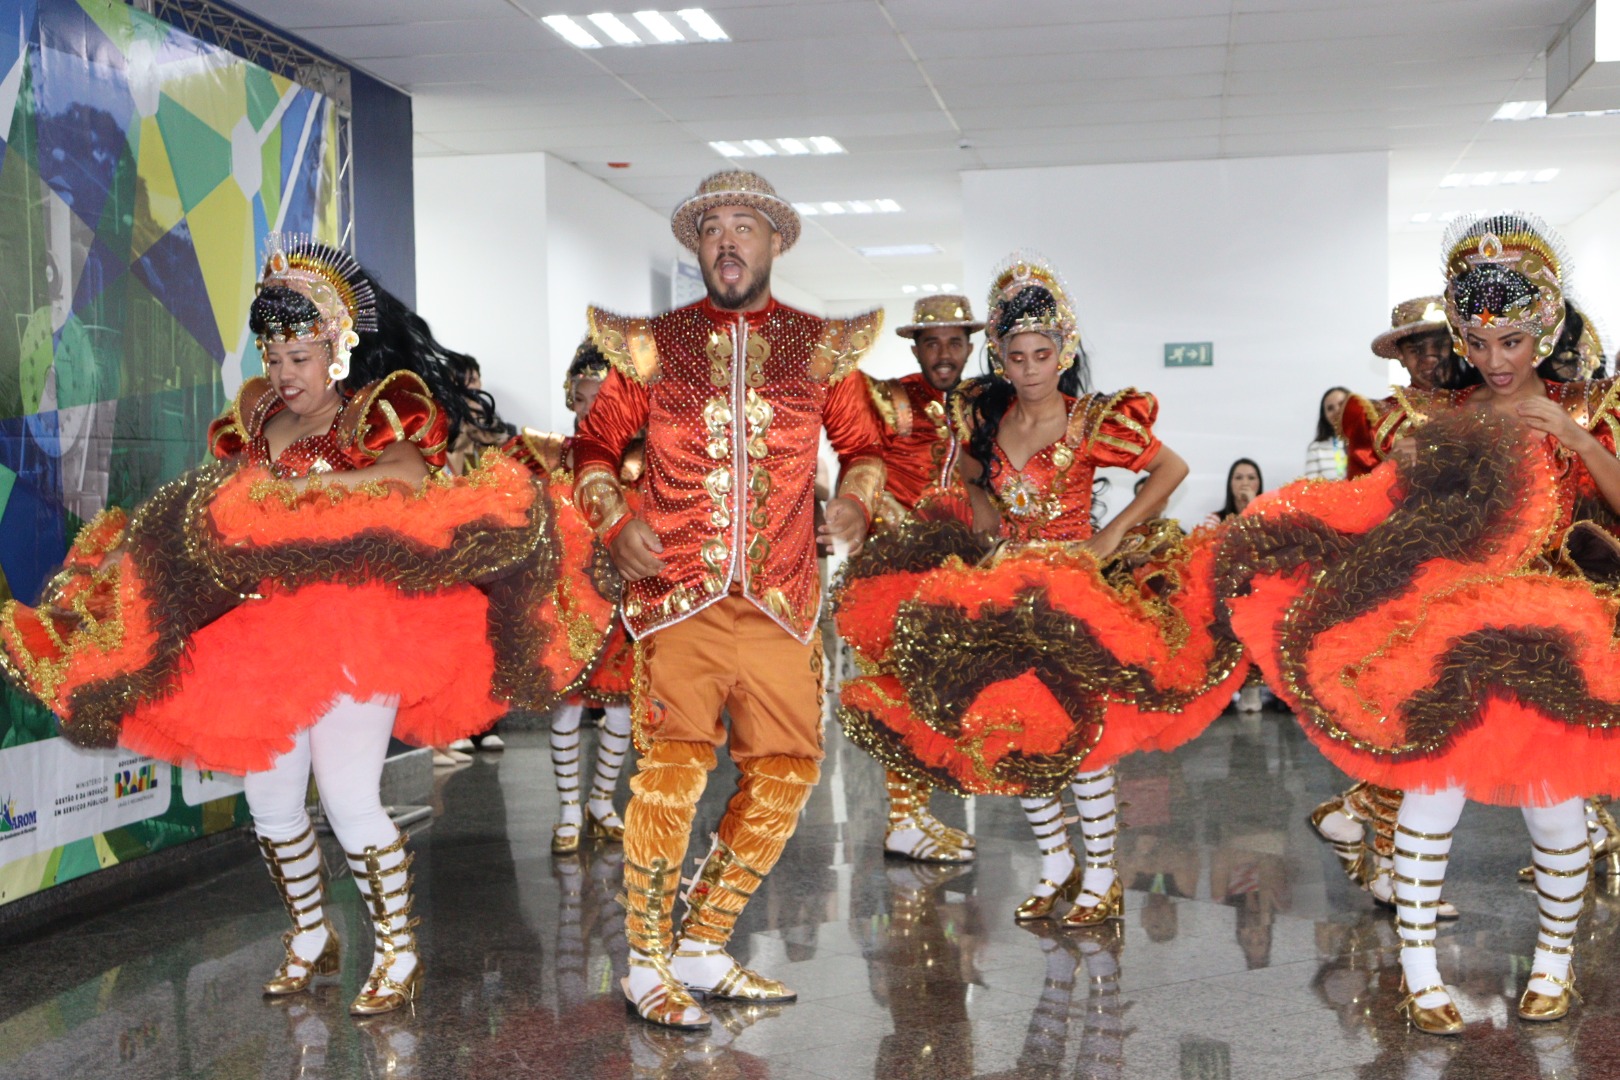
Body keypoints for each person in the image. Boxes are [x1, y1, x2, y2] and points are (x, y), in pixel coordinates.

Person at [0, 234, 592, 1016]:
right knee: (271, 803)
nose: (284, 374)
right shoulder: (256, 423)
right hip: (260, 640)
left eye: (300, 357)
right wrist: (128, 567)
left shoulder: (378, 416)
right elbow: (201, 509)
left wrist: (298, 506)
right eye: (273, 357)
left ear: (338, 349)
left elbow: (408, 481)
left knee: (348, 796)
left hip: (360, 630)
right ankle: (312, 936)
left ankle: (399, 953)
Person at [1220, 212, 1619, 1034]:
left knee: (1556, 810)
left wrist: (1579, 439)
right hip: (1452, 633)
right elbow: (1394, 514)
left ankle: (1553, 968)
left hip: (1557, 639)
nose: (1494, 360)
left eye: (1510, 340)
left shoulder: (1594, 407)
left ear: (1542, 331)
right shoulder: (1442, 415)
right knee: (1427, 797)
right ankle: (1417, 975)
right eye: (1477, 342)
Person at [836, 254, 1248, 930]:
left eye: (1041, 353)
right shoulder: (990, 425)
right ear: (998, 357)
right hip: (1004, 589)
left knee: (1082, 742)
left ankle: (1104, 877)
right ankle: (1057, 863)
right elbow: (961, 477)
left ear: (1064, 351)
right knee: (1016, 735)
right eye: (1016, 355)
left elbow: (1171, 467)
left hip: (1075, 597)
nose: (1029, 367)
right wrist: (977, 514)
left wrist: (1110, 538)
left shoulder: (1091, 422)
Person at [569, 170, 886, 1029]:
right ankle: (644, 963)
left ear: (775, 242)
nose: (727, 241)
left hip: (783, 600)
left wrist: (853, 505)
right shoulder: (653, 347)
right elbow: (592, 448)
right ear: (698, 246)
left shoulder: (821, 349)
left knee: (788, 773)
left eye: (744, 225)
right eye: (712, 228)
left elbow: (865, 450)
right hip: (679, 602)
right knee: (669, 778)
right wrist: (611, 521)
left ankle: (704, 942)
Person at [846, 293, 984, 864]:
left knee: (934, 699)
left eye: (954, 342)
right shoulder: (891, 400)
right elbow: (863, 466)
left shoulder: (979, 406)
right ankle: (901, 822)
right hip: (891, 576)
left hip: (950, 579)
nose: (944, 353)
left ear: (970, 347)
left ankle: (914, 814)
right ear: (915, 346)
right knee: (898, 698)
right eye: (932, 342)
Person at [504, 341, 641, 855]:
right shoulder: (545, 454)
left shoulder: (641, 465)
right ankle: (566, 809)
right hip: (562, 608)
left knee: (622, 709)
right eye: (583, 400)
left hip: (625, 611)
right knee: (564, 709)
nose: (591, 412)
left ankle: (601, 801)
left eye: (603, 403)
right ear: (570, 398)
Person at [1302, 387, 1350, 480]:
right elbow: (1311, 488)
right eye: (1330, 408)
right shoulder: (1316, 448)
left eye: (1341, 404)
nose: (1337, 410)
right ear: (1325, 416)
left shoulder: (1370, 441)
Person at [1203, 458, 1262, 526]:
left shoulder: (1269, 519)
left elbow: (1267, 535)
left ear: (1259, 483)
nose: (1245, 483)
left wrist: (1254, 506)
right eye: (1238, 478)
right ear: (1230, 483)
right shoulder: (1215, 518)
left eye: (1251, 478)